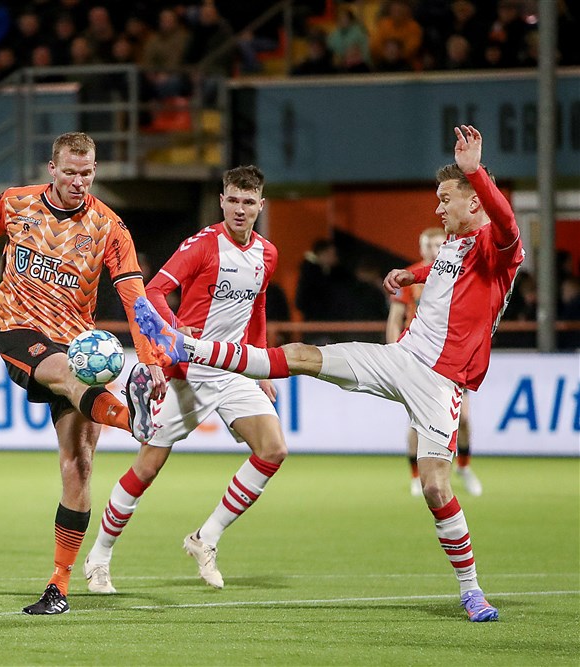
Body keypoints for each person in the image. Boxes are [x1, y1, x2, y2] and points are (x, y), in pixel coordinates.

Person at [135, 126, 516, 623]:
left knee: (436, 488)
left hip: (441, 382)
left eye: (446, 200)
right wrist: (408, 274)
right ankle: (191, 346)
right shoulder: (453, 245)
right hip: (400, 357)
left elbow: (506, 223)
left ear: (473, 201)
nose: (438, 209)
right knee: (298, 355)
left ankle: (472, 592)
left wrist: (475, 172)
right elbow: (441, 268)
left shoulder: (499, 246)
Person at [0, 131, 166, 615]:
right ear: (52, 168)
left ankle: (58, 586)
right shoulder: (14, 204)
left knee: (78, 465)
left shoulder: (109, 227)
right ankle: (135, 421)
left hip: (78, 343)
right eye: (71, 172)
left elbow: (134, 296)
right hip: (18, 329)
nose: (80, 181)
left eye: (88, 173)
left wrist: (149, 358)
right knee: (64, 374)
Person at [83, 165, 288, 594]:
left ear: (260, 206)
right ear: (222, 200)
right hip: (188, 372)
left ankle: (205, 538)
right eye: (233, 199)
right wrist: (176, 329)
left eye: (249, 202)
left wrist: (262, 364)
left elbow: (258, 307)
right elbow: (153, 291)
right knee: (149, 465)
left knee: (272, 449)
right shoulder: (202, 246)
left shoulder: (267, 253)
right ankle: (99, 557)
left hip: (234, 369)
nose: (240, 208)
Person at [387, 226, 482, 497]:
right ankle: (416, 476)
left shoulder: (459, 274)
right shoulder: (409, 277)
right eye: (428, 246)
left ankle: (463, 467)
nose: (433, 250)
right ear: (421, 248)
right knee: (417, 419)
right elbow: (395, 320)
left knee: (462, 419)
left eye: (439, 245)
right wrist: (395, 355)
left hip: (452, 357)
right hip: (417, 356)